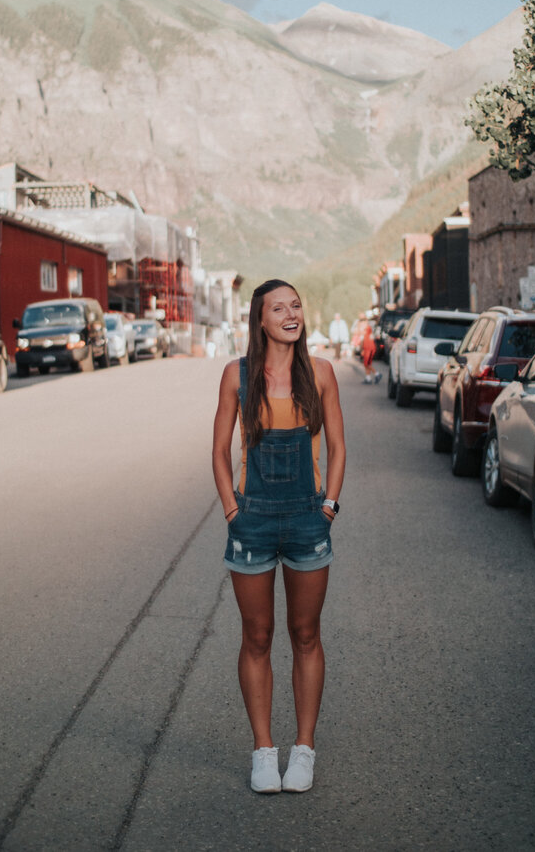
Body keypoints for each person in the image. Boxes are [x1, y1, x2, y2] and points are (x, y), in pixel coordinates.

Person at [213, 279, 346, 794]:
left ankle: (304, 749)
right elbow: (219, 450)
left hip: (308, 519)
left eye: (296, 305)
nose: (291, 313)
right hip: (253, 521)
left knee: (306, 634)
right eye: (279, 307)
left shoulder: (322, 374)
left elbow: (336, 446)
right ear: (260, 319)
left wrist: (328, 506)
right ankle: (264, 752)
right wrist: (232, 509)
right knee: (258, 637)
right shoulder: (236, 375)